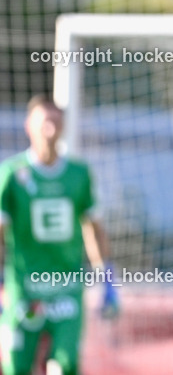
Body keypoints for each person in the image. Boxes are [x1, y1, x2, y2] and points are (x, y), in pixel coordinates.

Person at [0, 95, 119, 375]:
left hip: (67, 289)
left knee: (66, 366)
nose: (51, 128)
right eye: (45, 121)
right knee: (16, 366)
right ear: (29, 126)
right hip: (25, 290)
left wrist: (107, 280)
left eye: (56, 121)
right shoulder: (11, 174)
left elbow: (93, 229)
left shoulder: (79, 174)